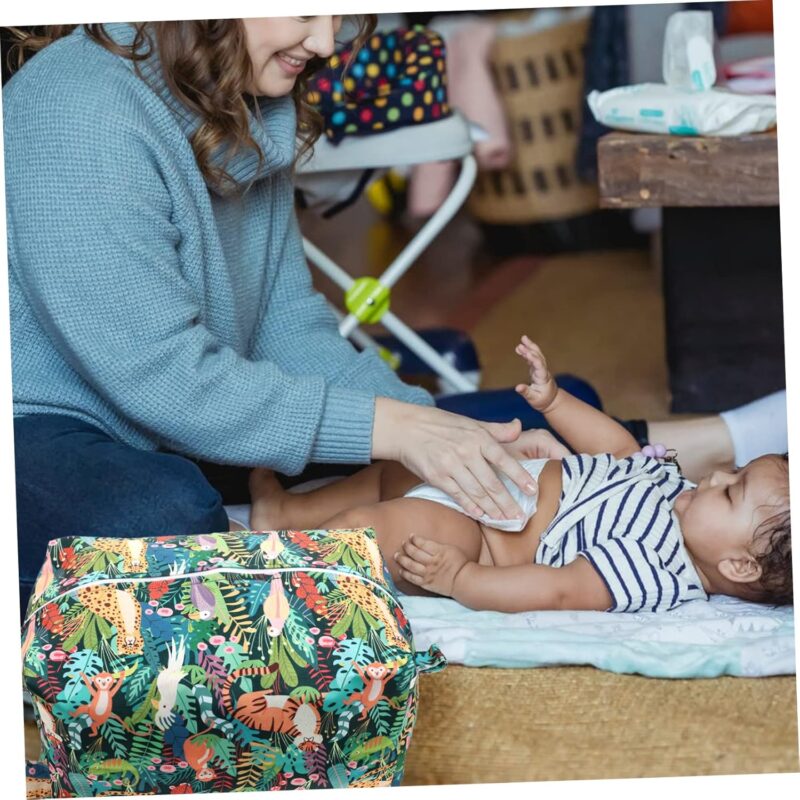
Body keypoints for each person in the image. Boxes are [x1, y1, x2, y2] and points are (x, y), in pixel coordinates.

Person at [5, 17, 549, 615]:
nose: (323, 43)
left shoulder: (246, 98)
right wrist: (396, 433)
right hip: (39, 425)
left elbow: (283, 321)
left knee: (504, 429)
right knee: (165, 514)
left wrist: (425, 430)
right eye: (303, 13)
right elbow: (161, 375)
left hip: (172, 420)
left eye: (335, 16)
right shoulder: (76, 108)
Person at [249, 336, 792, 612]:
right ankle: (285, 513)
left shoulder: (657, 568)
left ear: (739, 565)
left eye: (731, 493)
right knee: (393, 466)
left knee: (367, 528)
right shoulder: (677, 490)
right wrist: (555, 403)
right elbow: (621, 447)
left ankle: (262, 570)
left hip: (480, 537)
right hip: (492, 475)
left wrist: (461, 579)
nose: (717, 476)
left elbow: (556, 590)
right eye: (734, 471)